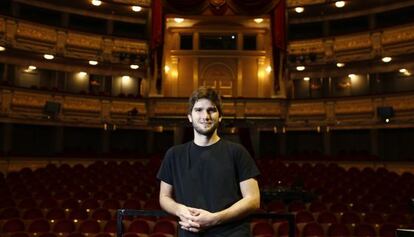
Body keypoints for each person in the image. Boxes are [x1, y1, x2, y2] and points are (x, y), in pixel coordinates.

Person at [157, 87, 260, 236]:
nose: (205, 116)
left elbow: (253, 200)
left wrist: (214, 219)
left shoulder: (237, 152)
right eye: (198, 110)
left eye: (211, 110)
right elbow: (164, 197)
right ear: (190, 117)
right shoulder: (174, 154)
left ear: (220, 117)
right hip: (190, 233)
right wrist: (180, 210)